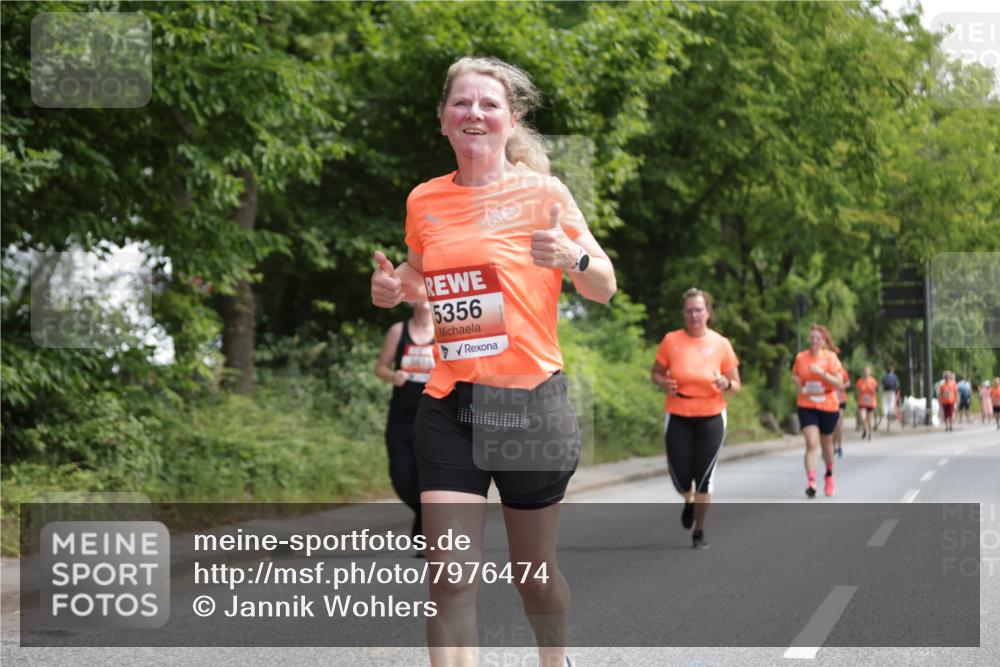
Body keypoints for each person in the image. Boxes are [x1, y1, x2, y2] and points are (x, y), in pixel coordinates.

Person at [371, 56, 616, 667]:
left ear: (511, 119)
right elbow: (419, 272)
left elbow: (605, 286)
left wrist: (573, 258)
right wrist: (395, 287)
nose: (473, 113)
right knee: (450, 582)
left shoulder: (544, 193)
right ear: (443, 121)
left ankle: (555, 660)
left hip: (528, 408)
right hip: (449, 407)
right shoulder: (425, 200)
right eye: (461, 103)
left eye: (488, 104)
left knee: (534, 577)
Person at [650, 288, 740, 550]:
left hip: (712, 415)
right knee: (680, 477)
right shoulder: (671, 340)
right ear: (684, 313)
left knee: (704, 477)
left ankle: (699, 531)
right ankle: (688, 500)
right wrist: (664, 383)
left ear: (707, 313)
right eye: (689, 310)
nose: (694, 315)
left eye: (699, 310)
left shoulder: (721, 343)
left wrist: (726, 383)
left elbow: (736, 384)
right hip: (678, 413)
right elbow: (656, 373)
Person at [374, 301, 435, 547]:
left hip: (433, 416)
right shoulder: (398, 330)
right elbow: (380, 368)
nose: (424, 297)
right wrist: (393, 375)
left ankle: (424, 534)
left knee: (425, 478)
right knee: (400, 477)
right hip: (401, 416)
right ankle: (429, 517)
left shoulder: (444, 331)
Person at [791, 325, 846, 498]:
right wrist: (798, 382)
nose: (814, 340)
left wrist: (821, 373)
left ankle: (829, 474)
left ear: (823, 342)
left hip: (828, 405)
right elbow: (794, 376)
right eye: (811, 337)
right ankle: (811, 482)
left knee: (827, 445)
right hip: (806, 404)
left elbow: (839, 383)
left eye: (817, 338)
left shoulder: (830, 358)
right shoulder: (801, 357)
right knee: (811, 443)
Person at [855, 366, 878, 441]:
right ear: (863, 372)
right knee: (862, 417)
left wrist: (871, 388)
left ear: (870, 372)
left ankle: (870, 433)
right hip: (862, 402)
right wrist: (858, 401)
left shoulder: (873, 381)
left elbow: (875, 393)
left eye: (867, 372)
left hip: (871, 402)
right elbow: (857, 393)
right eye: (865, 372)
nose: (866, 373)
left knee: (870, 419)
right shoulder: (859, 381)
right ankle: (865, 429)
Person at [833, 365, 850, 458]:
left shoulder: (842, 370)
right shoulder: (825, 369)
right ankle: (833, 446)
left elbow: (848, 382)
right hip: (829, 401)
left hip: (840, 400)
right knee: (832, 425)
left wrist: (842, 386)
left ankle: (839, 446)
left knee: (838, 424)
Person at [880, 365, 901, 432]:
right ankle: (891, 413)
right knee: (892, 402)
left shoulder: (884, 376)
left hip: (885, 391)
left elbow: (882, 383)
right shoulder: (894, 376)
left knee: (885, 403)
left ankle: (886, 414)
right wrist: (897, 389)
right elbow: (897, 385)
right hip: (892, 391)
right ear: (892, 370)